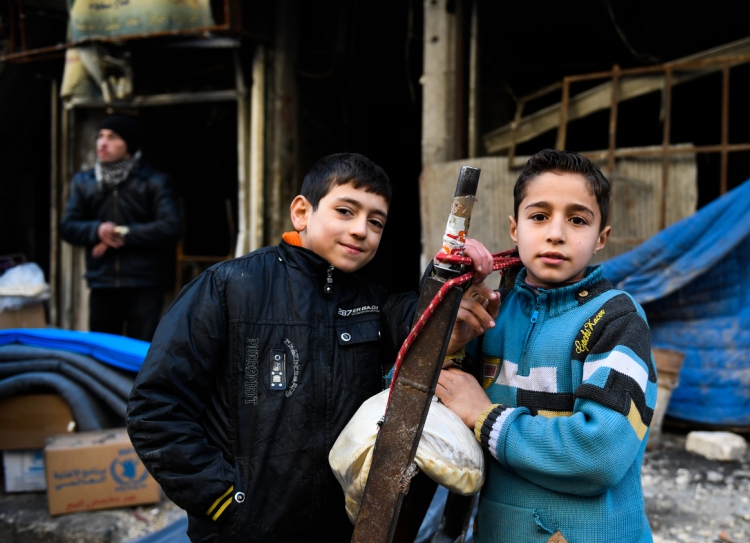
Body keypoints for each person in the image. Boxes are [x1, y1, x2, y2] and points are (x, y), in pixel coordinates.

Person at [126, 153, 498, 543]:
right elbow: (155, 410)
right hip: (243, 530)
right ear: (302, 212)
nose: (360, 230)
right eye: (345, 211)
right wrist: (225, 500)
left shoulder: (374, 301)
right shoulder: (228, 288)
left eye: (376, 222)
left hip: (342, 530)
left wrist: (452, 275)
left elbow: (421, 320)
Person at [435, 149, 659, 543]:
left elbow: (600, 454)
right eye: (539, 216)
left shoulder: (616, 320)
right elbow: (412, 405)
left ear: (601, 237)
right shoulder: (492, 315)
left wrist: (485, 416)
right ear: (515, 229)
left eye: (577, 219)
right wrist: (449, 339)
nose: (556, 233)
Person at [59, 113, 181, 342]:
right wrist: (97, 230)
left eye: (112, 137)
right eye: (100, 136)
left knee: (141, 353)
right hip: (102, 282)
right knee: (102, 352)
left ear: (128, 145)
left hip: (144, 281)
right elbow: (67, 227)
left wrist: (120, 233)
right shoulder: (84, 182)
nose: (102, 143)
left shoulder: (154, 181)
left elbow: (171, 226)